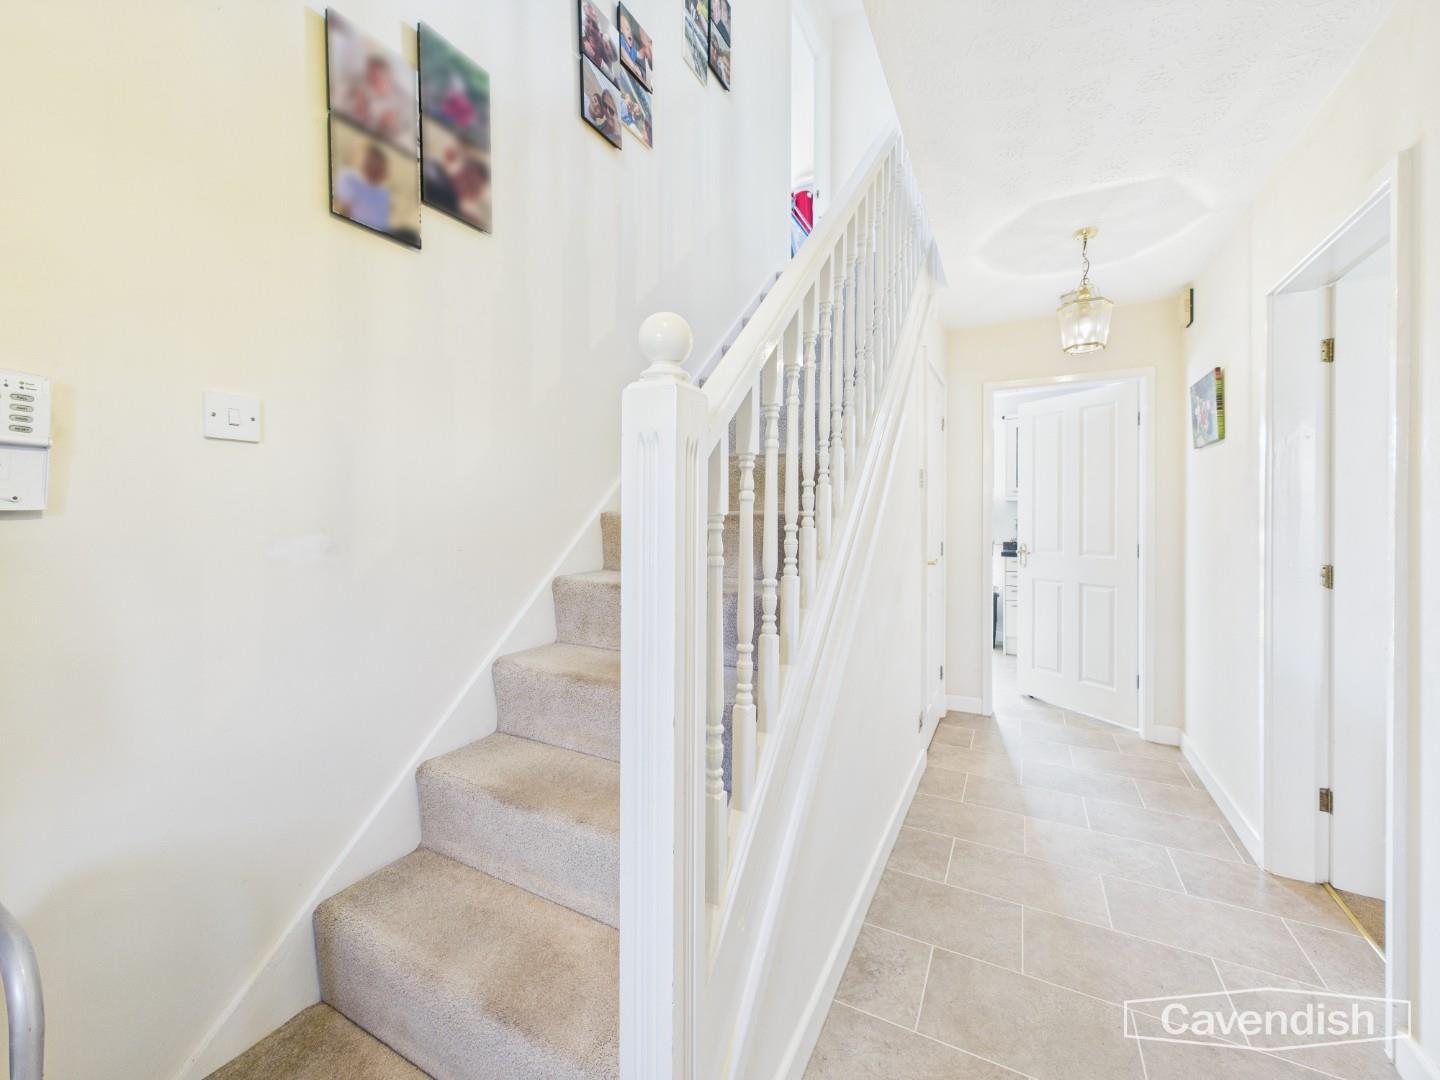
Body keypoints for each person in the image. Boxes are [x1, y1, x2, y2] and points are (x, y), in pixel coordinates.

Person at [336, 142, 393, 233]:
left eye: (380, 165)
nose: (376, 168)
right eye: (371, 162)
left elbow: (383, 224)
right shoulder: (349, 178)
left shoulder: (384, 193)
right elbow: (342, 209)